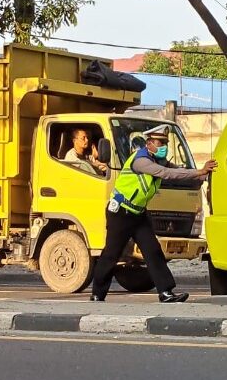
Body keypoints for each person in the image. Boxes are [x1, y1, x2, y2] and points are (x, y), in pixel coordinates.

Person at [91, 124, 217, 303]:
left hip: (139, 214)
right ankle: (97, 293)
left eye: (165, 142)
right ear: (149, 144)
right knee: (112, 253)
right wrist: (199, 171)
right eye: (160, 143)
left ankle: (166, 292)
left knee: (153, 251)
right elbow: (166, 173)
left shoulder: (158, 160)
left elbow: (177, 170)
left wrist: (204, 175)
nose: (163, 146)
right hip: (121, 212)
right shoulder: (141, 160)